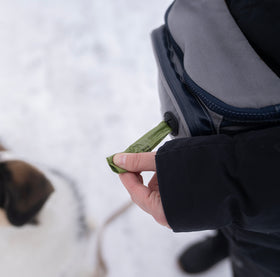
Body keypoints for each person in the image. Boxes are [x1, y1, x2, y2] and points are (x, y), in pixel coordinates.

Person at [114, 0, 280, 276]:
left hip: (270, 229)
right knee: (229, 221)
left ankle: (236, 243)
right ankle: (224, 237)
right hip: (204, 82)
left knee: (257, 256)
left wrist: (212, 186)